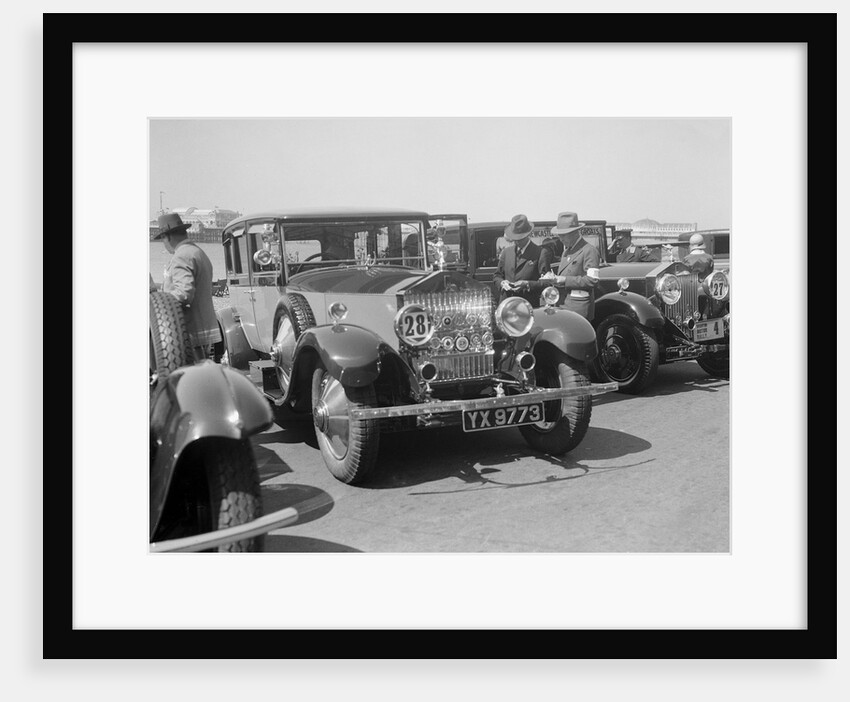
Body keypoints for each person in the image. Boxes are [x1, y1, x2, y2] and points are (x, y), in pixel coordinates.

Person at [151, 213, 222, 363]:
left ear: (167, 237)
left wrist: (157, 299)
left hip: (190, 333)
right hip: (204, 330)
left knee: (190, 380)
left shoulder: (181, 256)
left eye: (162, 239)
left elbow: (184, 294)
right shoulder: (196, 252)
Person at [540, 211, 600, 320]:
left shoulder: (589, 250)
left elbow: (592, 280)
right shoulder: (566, 252)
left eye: (563, 235)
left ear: (575, 233)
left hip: (578, 309)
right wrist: (552, 278)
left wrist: (564, 279)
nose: (560, 239)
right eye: (559, 235)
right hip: (562, 305)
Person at [492, 214, 553, 306]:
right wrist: (502, 283)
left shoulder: (540, 252)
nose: (516, 241)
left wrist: (527, 284)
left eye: (520, 239)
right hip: (507, 305)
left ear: (528, 235)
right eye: (514, 239)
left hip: (528, 305)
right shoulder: (506, 252)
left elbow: (546, 283)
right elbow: (497, 276)